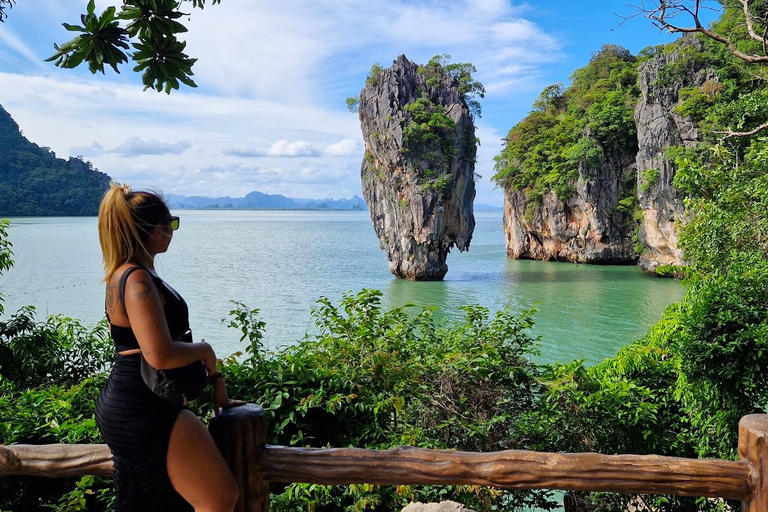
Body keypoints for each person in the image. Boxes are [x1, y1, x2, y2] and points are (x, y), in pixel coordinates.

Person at [95, 182, 241, 511]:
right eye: (171, 224)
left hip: (135, 400)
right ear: (154, 229)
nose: (172, 233)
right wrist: (205, 350)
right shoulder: (136, 279)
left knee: (158, 502)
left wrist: (214, 380)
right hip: (143, 406)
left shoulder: (125, 274)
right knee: (219, 498)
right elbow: (159, 354)